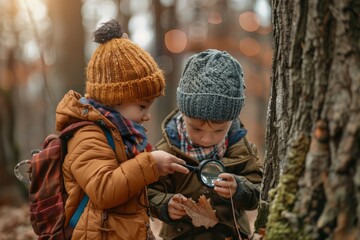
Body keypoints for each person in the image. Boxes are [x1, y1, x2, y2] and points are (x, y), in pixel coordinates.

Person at [55, 19, 189, 240]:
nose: (147, 116)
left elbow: (131, 197)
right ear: (116, 98)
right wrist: (150, 164)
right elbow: (104, 190)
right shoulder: (87, 135)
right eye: (142, 106)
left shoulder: (123, 136)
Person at [148, 49, 263, 239]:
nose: (207, 139)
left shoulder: (242, 151)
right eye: (197, 129)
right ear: (183, 115)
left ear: (231, 121)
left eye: (219, 130)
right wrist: (165, 205)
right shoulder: (167, 153)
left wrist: (239, 188)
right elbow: (148, 192)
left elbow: (260, 192)